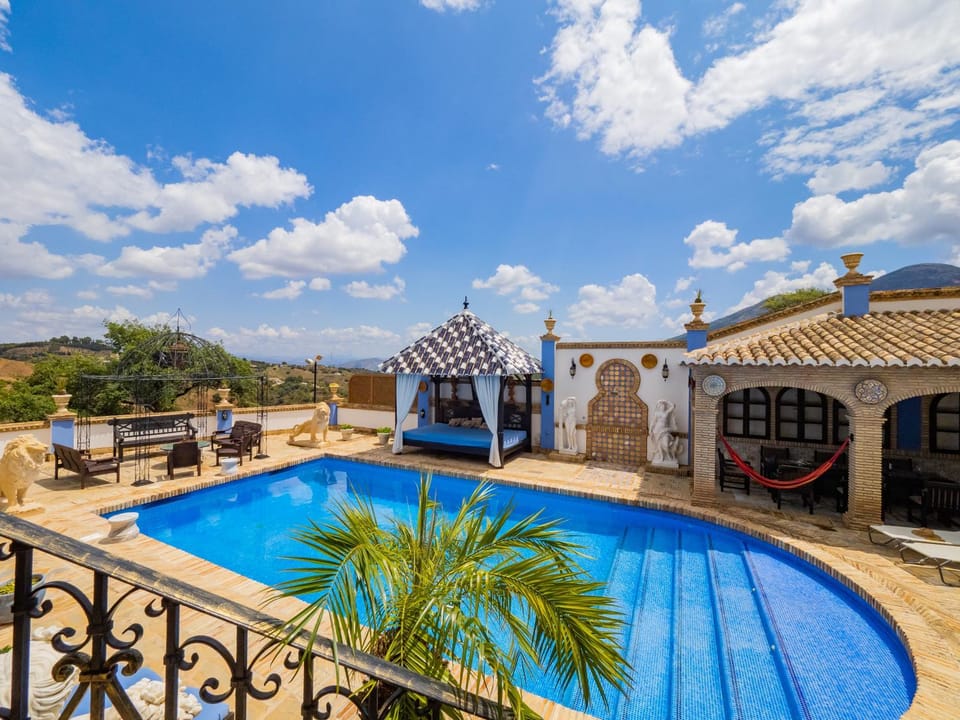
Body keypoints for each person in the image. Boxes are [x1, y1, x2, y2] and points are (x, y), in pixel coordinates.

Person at [650, 399, 681, 464]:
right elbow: (653, 422)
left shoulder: (666, 412)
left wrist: (665, 401)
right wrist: (650, 429)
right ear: (659, 407)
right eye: (662, 406)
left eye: (664, 406)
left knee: (666, 444)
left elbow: (673, 406)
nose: (663, 407)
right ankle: (661, 456)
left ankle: (668, 455)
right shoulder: (657, 413)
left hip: (665, 430)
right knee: (659, 444)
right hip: (657, 430)